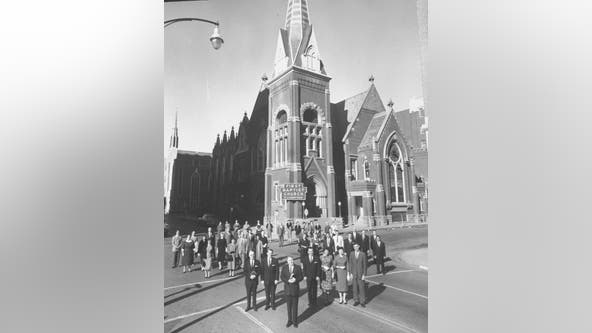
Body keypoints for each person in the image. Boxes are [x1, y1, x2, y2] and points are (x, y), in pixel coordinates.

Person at [281, 256, 303, 328]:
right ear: (287, 262)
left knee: (295, 306)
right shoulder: (284, 268)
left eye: (292, 260)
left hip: (295, 290)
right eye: (289, 260)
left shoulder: (298, 267)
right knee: (289, 307)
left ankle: (295, 321)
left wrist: (295, 280)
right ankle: (289, 320)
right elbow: (282, 277)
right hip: (287, 290)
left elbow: (301, 277)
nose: (291, 261)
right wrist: (287, 280)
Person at [348, 243, 367, 307]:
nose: (356, 248)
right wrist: (350, 273)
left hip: (360, 274)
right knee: (355, 288)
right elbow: (350, 264)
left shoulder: (363, 254)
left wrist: (364, 274)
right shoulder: (351, 254)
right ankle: (356, 300)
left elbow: (365, 265)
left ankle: (362, 301)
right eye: (354, 247)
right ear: (353, 247)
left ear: (359, 247)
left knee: (361, 288)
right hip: (354, 274)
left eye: (357, 246)